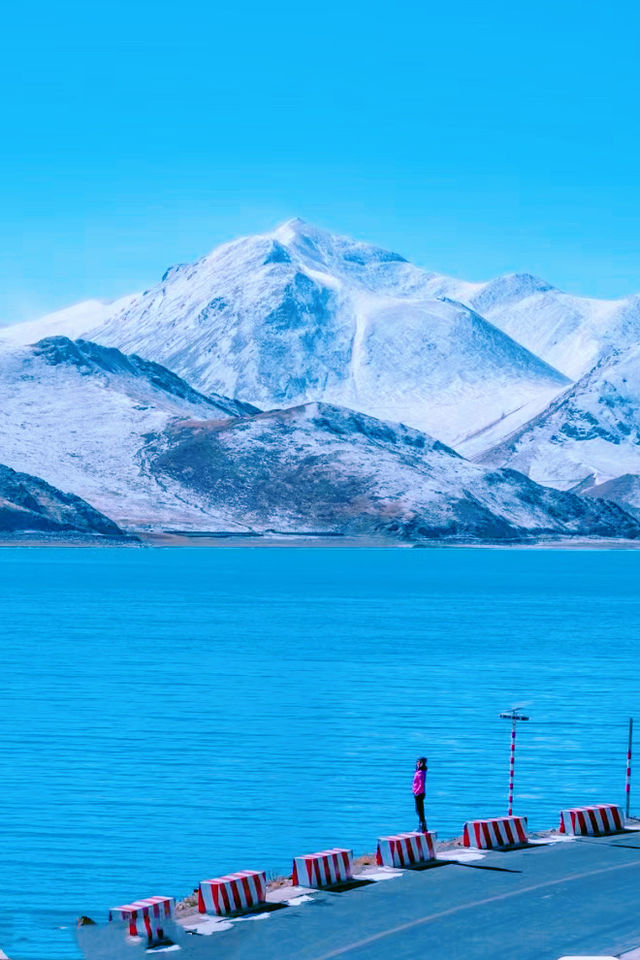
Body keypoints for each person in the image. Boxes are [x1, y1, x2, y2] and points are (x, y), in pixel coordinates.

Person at [412, 756, 428, 832]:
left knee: (420, 810)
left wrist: (417, 792)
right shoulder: (418, 771)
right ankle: (421, 826)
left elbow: (421, 784)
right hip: (417, 793)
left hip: (419, 793)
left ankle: (423, 827)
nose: (417, 763)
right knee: (418, 810)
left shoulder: (421, 773)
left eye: (419, 762)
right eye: (417, 762)